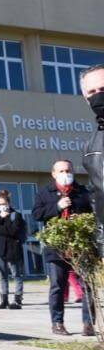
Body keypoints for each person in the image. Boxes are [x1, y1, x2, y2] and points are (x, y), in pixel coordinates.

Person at [32, 160, 94, 336]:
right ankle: (57, 323)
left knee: (87, 286)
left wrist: (81, 220)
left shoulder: (83, 193)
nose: (66, 173)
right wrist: (57, 207)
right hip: (56, 247)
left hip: (80, 246)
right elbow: (37, 214)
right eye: (61, 171)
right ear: (53, 174)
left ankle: (88, 323)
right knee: (57, 286)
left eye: (68, 170)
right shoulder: (45, 193)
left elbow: (94, 214)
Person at [78, 63, 104, 333]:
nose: (98, 96)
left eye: (103, 89)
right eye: (92, 91)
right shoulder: (91, 145)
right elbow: (99, 197)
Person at [0, 190, 27, 310]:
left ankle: (17, 300)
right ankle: (4, 300)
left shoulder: (15, 215)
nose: (1, 206)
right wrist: (0, 218)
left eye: (3, 203)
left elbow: (12, 231)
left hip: (13, 249)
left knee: (16, 275)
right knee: (3, 276)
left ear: (8, 203)